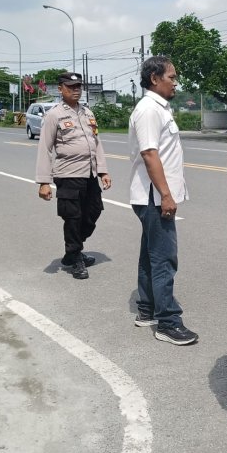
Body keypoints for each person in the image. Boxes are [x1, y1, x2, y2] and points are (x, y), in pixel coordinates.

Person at [128, 56, 197, 346]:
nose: (176, 82)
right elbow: (149, 154)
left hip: (154, 197)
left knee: (150, 255)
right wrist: (166, 195)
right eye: (171, 77)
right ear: (155, 78)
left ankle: (147, 310)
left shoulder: (159, 108)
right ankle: (168, 322)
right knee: (164, 259)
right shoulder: (148, 110)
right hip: (154, 198)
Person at [35, 73, 111, 280]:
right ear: (60, 89)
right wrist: (44, 182)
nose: (76, 89)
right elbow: (45, 148)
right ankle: (75, 256)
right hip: (68, 174)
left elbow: (96, 142)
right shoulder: (54, 115)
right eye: (71, 86)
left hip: (89, 173)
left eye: (78, 86)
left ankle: (72, 252)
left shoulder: (87, 112)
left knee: (93, 212)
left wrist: (102, 170)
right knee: (73, 217)